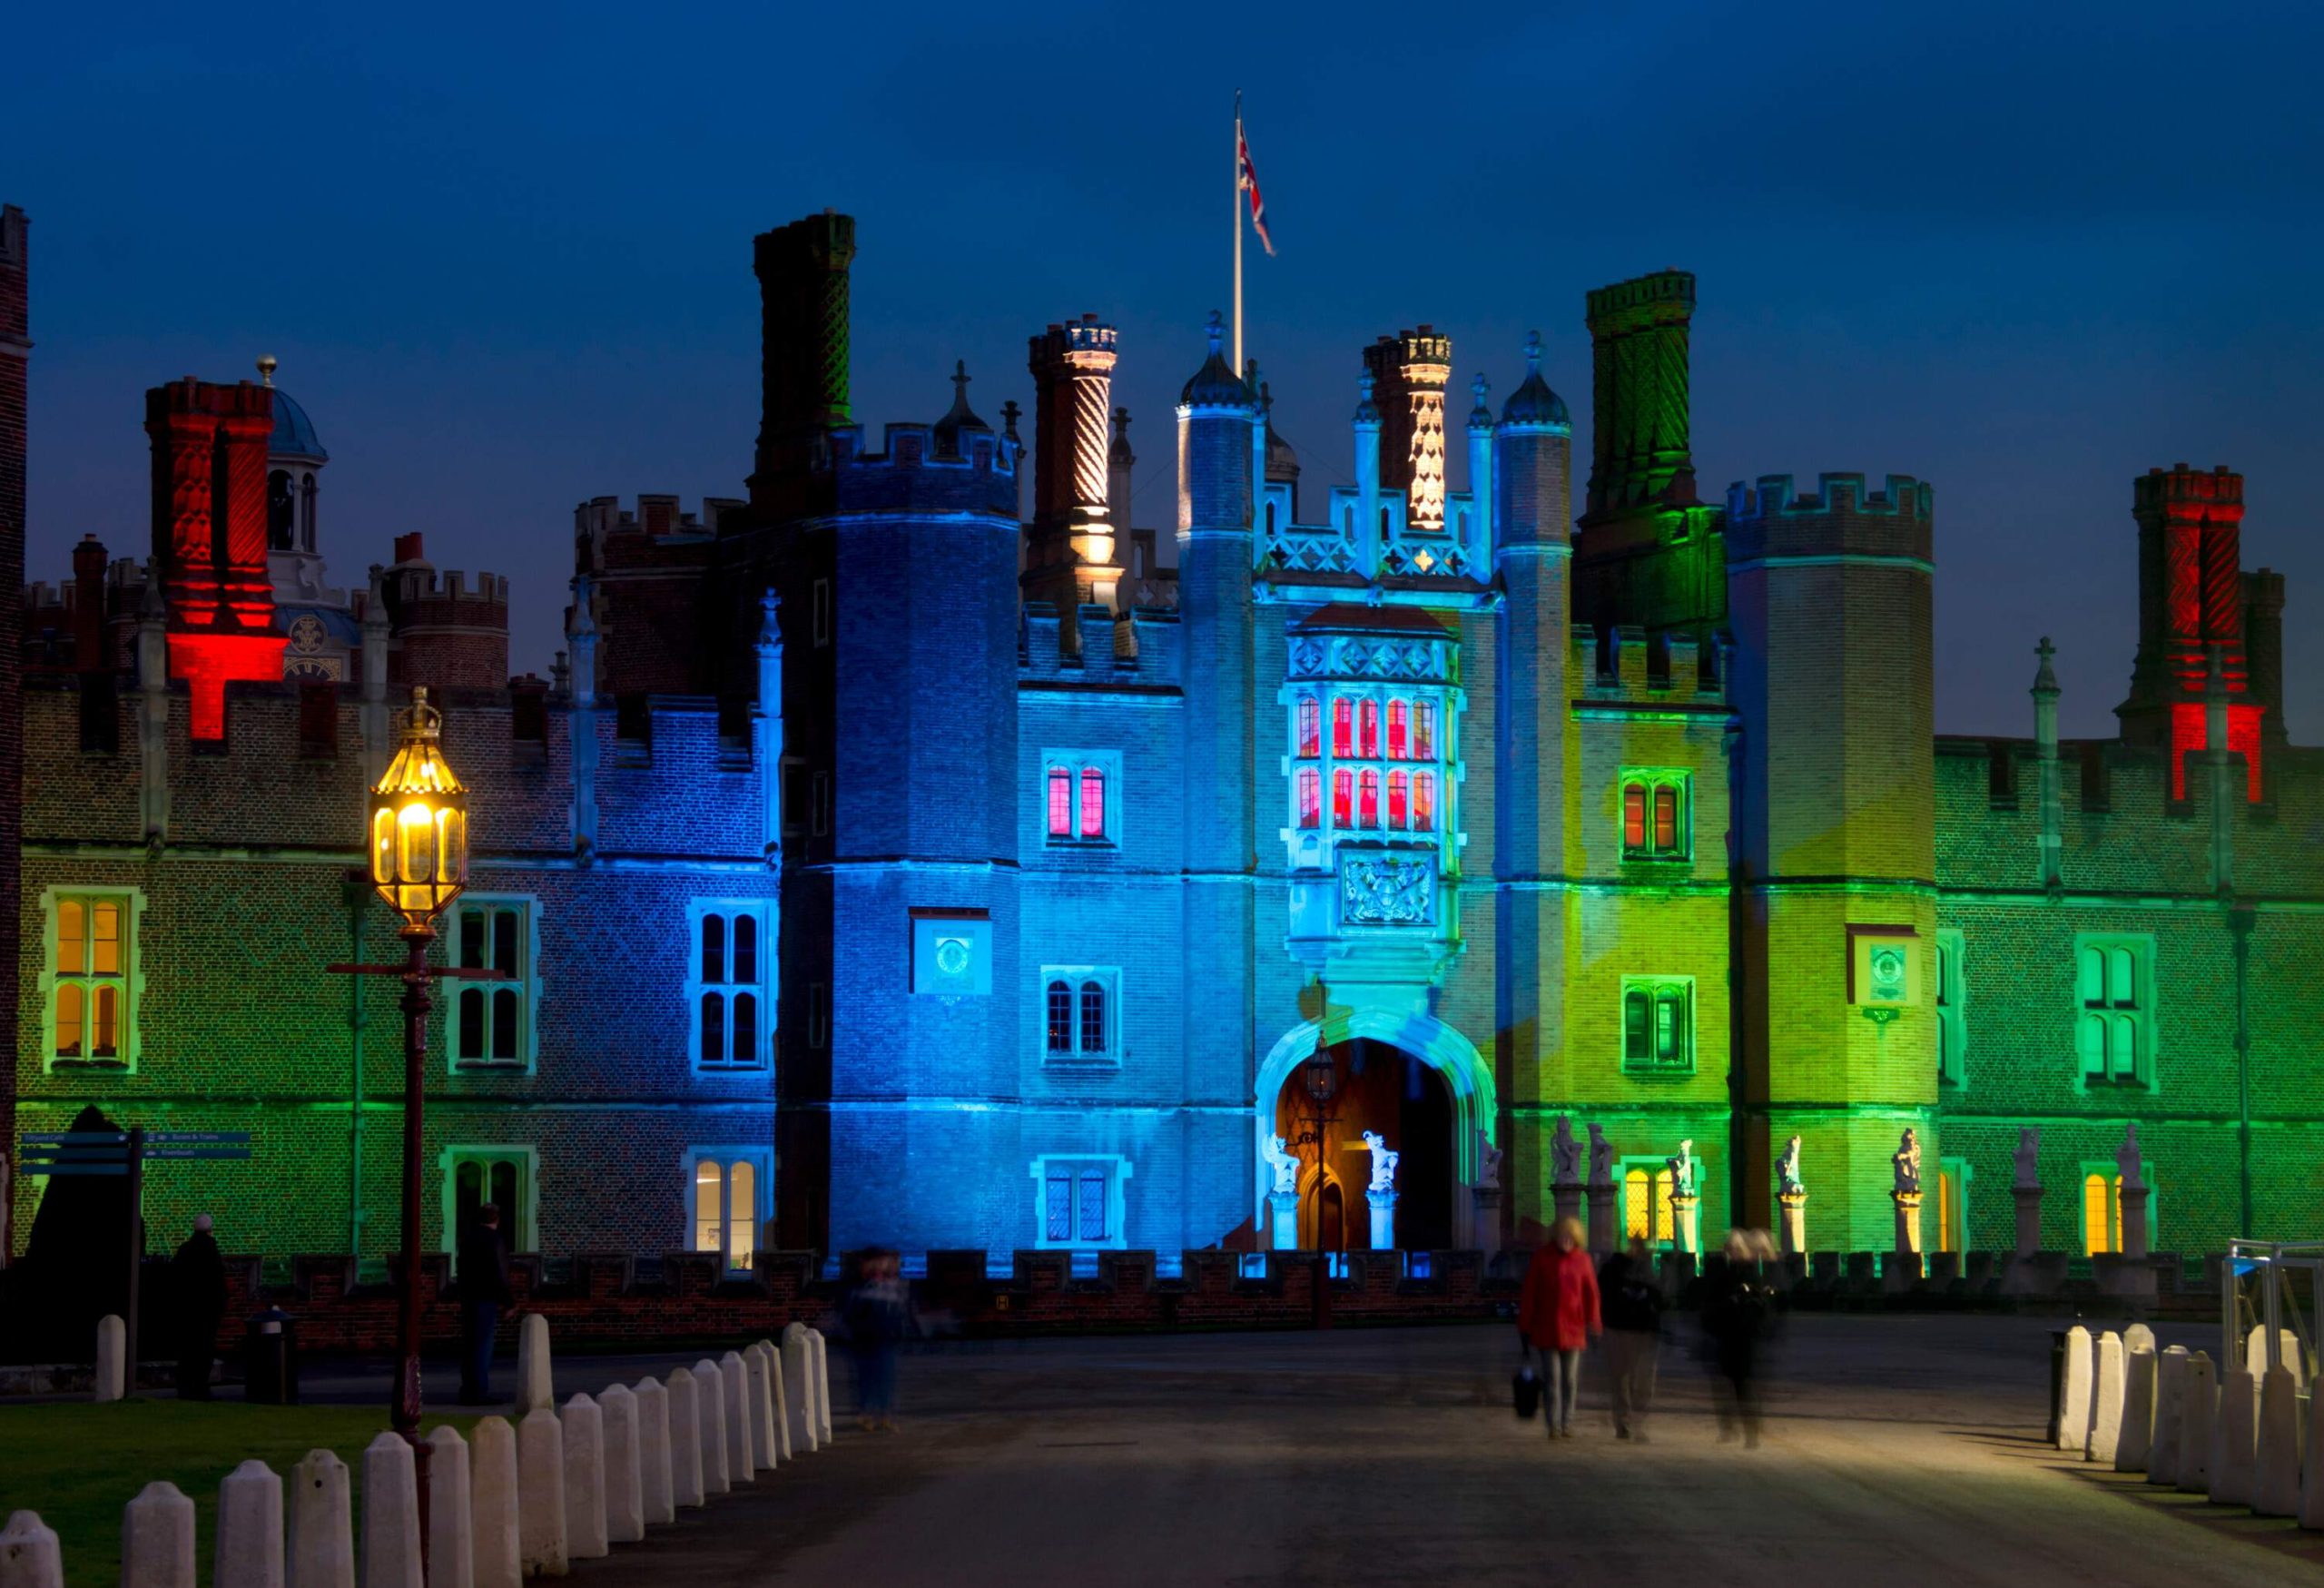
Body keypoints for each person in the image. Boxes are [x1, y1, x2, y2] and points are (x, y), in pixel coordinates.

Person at [1517, 1217, 1600, 1438]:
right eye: (1562, 1236)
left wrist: (1595, 1322)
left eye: (1570, 1237)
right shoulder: (1542, 1258)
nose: (1566, 1241)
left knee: (1570, 1380)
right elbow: (1530, 1293)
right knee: (1552, 1378)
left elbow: (1591, 1293)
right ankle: (1553, 1425)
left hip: (1573, 1328)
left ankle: (1567, 1422)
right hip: (1547, 1328)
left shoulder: (1582, 1260)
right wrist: (1524, 1324)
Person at [1702, 1228, 1777, 1447]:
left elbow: (1762, 1306)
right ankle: (1729, 1428)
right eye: (1730, 1248)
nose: (1732, 1252)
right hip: (1727, 1337)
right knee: (1727, 1386)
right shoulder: (1724, 1273)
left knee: (1743, 1387)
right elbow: (1711, 1302)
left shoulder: (1752, 1275)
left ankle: (1749, 1431)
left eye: (1735, 1248)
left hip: (1744, 1338)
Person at [1597, 1235, 1663, 1441]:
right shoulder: (1613, 1268)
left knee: (1642, 1380)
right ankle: (1624, 1422)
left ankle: (1637, 1422)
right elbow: (1604, 1295)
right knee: (1621, 1379)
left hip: (1644, 1330)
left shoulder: (1649, 1269)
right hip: (1619, 1329)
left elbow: (1660, 1297)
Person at [842, 1248, 910, 1432]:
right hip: (865, 1339)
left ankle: (885, 1415)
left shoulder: (895, 1287)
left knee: (885, 1378)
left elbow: (901, 1312)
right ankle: (866, 1414)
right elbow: (850, 1313)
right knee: (867, 1378)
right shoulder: (861, 1288)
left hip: (886, 1339)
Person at [457, 1203, 514, 1405]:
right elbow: (500, 1272)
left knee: (470, 1345)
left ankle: (467, 1390)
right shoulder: (494, 1240)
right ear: (496, 1219)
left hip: (468, 1298)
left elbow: (462, 1269)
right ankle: (479, 1392)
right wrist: (508, 1302)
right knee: (482, 1346)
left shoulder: (468, 1238)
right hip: (486, 1299)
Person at [171, 1213, 228, 1399]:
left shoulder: (185, 1250)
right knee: (205, 1347)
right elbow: (218, 1282)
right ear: (210, 1230)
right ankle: (201, 1385)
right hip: (208, 1309)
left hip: (187, 1308)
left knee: (187, 1347)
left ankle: (185, 1385)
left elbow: (176, 1278)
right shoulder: (212, 1252)